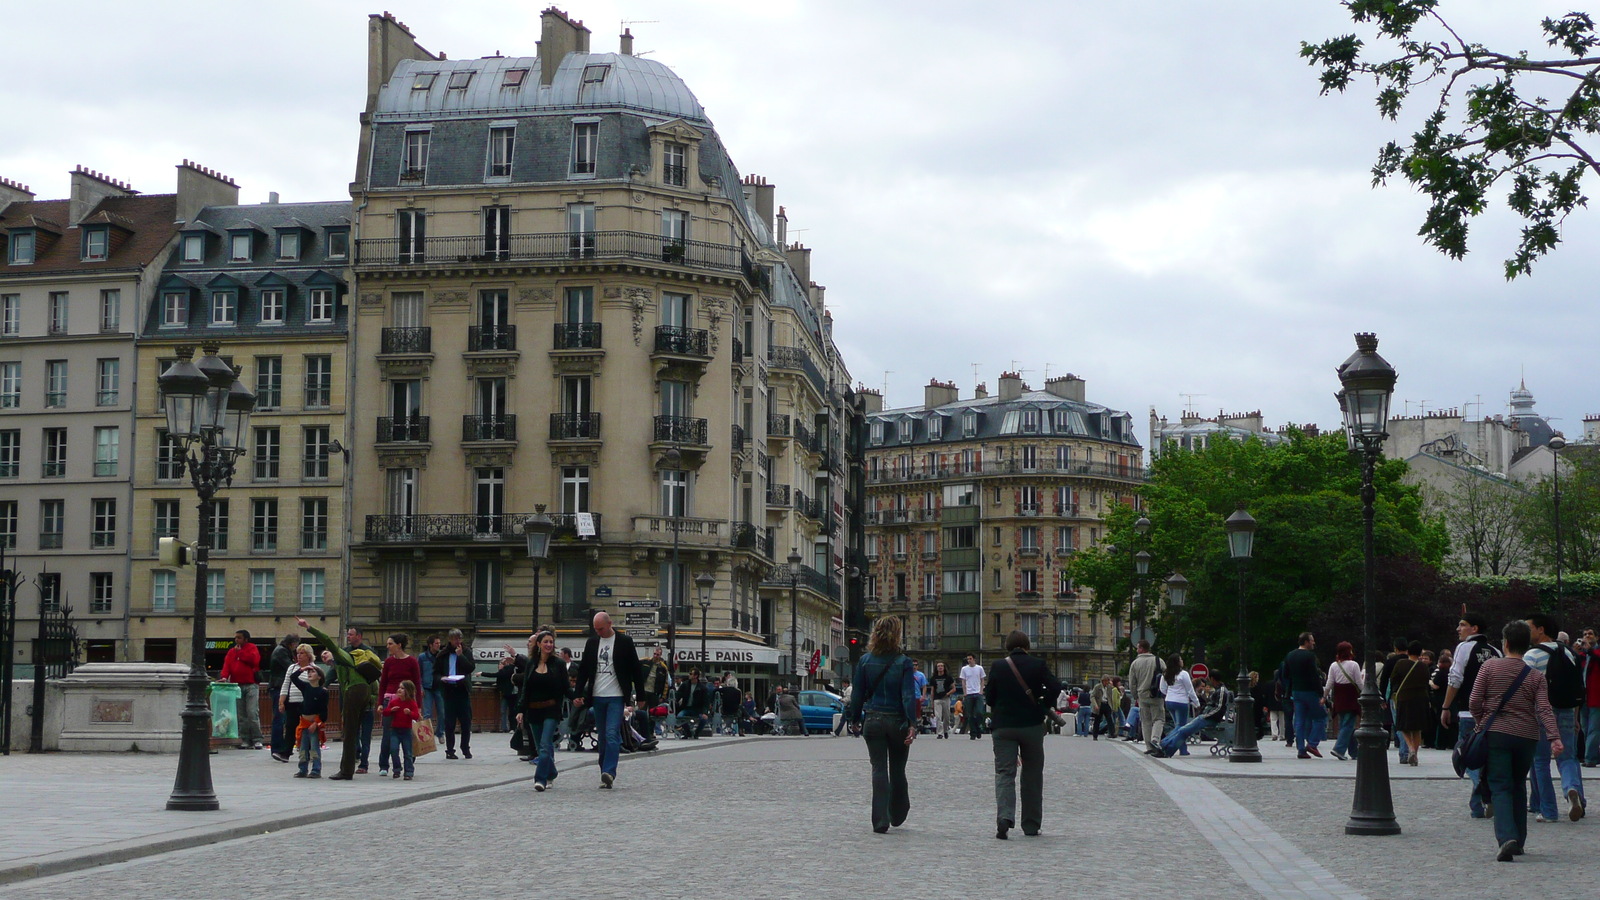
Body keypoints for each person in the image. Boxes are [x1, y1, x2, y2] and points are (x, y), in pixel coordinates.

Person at [1471, 620, 1563, 861]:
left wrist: (1482, 721)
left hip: (1498, 734)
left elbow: (1474, 700)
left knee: (1500, 786)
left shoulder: (1490, 667)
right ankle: (1519, 841)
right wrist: (1554, 737)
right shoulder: (1535, 677)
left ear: (1506, 643)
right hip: (1527, 737)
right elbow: (1544, 708)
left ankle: (1506, 838)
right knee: (1519, 785)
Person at [985, 630, 1064, 839]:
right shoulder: (1038, 665)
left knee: (1004, 773)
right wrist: (1042, 706)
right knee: (1032, 774)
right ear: (1027, 645)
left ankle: (1004, 817)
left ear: (1008, 646)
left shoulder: (998, 666)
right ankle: (1031, 824)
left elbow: (989, 697)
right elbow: (1056, 686)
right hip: (1031, 726)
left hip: (1003, 727)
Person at [846, 615, 919, 834]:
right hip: (896, 720)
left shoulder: (865, 661)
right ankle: (897, 812)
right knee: (898, 768)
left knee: (878, 768)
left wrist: (855, 719)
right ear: (897, 635)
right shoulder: (903, 662)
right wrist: (912, 724)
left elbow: (857, 694)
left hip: (874, 720)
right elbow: (908, 696)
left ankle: (880, 820)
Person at [298, 618, 381, 781]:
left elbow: (327, 639)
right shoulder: (350, 658)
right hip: (363, 690)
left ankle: (346, 771)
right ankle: (348, 768)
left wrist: (308, 627)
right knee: (353, 730)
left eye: (326, 653)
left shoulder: (341, 654)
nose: (325, 655)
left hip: (354, 691)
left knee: (349, 732)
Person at [1524, 613, 1586, 822]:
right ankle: (1571, 788)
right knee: (1567, 757)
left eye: (1529, 627)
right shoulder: (1568, 653)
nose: (1526, 632)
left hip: (1541, 712)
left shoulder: (1532, 655)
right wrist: (1576, 716)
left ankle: (1548, 811)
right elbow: (1578, 686)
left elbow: (1524, 688)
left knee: (1540, 760)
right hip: (1567, 710)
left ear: (1541, 629)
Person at [573, 611, 644, 788]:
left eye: (601, 629)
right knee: (603, 737)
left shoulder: (624, 642)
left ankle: (609, 772)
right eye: (596, 629)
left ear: (610, 623)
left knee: (612, 733)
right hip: (597, 696)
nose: (598, 632)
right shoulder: (592, 643)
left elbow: (636, 669)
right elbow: (583, 670)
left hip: (616, 696)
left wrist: (640, 696)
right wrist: (578, 693)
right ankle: (603, 770)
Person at [1443, 614, 1503, 817]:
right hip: (1494, 713)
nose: (1458, 629)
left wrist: (1445, 707)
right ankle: (1479, 805)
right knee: (1488, 757)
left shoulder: (1464, 648)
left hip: (1469, 711)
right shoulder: (1496, 651)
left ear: (1474, 628)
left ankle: (1483, 793)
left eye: (1462, 625)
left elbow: (1455, 678)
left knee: (1467, 755)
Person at [516, 630, 568, 791]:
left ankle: (540, 779)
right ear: (538, 644)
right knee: (540, 748)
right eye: (545, 641)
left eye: (551, 642)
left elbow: (566, 687)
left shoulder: (558, 664)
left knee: (546, 745)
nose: (549, 645)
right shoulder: (531, 663)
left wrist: (578, 697)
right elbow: (526, 688)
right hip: (534, 710)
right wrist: (520, 710)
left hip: (551, 709)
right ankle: (551, 772)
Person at [376, 633, 420, 777]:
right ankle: (384, 765)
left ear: (399, 645)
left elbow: (417, 685)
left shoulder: (412, 661)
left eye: (390, 644)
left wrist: (418, 705)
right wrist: (380, 703)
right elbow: (383, 684)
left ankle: (408, 763)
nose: (388, 646)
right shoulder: (388, 662)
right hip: (390, 699)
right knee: (387, 734)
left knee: (408, 733)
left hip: (407, 701)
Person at [1160, 674, 1232, 756]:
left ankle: (1166, 750)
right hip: (1206, 717)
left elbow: (1219, 708)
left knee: (1183, 730)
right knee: (1181, 730)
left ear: (1212, 679)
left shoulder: (1221, 691)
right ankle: (1163, 746)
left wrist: (1206, 715)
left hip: (1209, 719)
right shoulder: (1218, 690)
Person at [343, 625, 382, 771]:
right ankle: (354, 757)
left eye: (351, 634)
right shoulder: (346, 653)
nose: (348, 636)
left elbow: (375, 690)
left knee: (365, 737)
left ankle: (363, 763)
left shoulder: (370, 671)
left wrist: (368, 699)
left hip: (366, 708)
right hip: (354, 706)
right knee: (353, 734)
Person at [434, 629, 477, 760]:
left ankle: (465, 748)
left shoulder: (466, 652)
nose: (457, 641)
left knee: (466, 722)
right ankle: (450, 750)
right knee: (449, 723)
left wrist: (461, 656)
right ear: (450, 640)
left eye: (459, 639)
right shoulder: (443, 654)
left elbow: (470, 668)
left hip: (462, 690)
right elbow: (435, 672)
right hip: (449, 690)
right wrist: (441, 678)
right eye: (454, 639)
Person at [1283, 632, 1325, 759]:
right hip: (1310, 691)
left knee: (1300, 720)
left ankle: (1300, 749)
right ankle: (1312, 743)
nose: (1313, 643)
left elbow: (1285, 674)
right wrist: (1321, 693)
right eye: (1312, 640)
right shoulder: (1309, 656)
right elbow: (1314, 676)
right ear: (1306, 642)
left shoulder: (1290, 655)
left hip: (1296, 691)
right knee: (1321, 717)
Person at [1388, 641, 1430, 766]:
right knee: (1417, 728)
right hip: (1421, 698)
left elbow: (1393, 679)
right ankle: (1415, 754)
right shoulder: (1423, 666)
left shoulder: (1400, 663)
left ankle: (1410, 748)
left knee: (1403, 726)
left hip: (1404, 697)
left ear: (1408, 651)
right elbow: (1426, 681)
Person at [277, 643, 322, 762]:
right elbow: (286, 684)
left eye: (302, 653)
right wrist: (281, 701)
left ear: (309, 655)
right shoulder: (292, 668)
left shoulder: (315, 669)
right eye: (298, 653)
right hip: (292, 701)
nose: (299, 656)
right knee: (290, 726)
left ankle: (309, 752)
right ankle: (286, 752)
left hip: (306, 703)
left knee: (306, 728)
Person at [220, 630, 263, 751]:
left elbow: (254, 661)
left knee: (252, 712)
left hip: (251, 685)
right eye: (236, 638)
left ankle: (257, 739)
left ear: (246, 639)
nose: (236, 640)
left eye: (239, 638)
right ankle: (245, 739)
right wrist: (224, 676)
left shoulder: (252, 648)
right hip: (237, 685)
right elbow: (227, 665)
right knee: (242, 715)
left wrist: (240, 654)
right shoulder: (231, 652)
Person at [289, 664, 328, 778]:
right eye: (308, 672)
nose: (310, 674)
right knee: (302, 748)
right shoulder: (305, 687)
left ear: (319, 677)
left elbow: (323, 711)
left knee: (314, 747)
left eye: (313, 672)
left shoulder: (323, 692)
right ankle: (302, 769)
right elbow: (293, 678)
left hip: (313, 723)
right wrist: (302, 669)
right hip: (303, 722)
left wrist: (316, 723)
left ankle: (316, 769)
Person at [1325, 641, 1363, 761]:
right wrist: (1365, 693)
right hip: (1351, 697)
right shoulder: (1354, 665)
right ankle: (1339, 749)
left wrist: (1324, 696)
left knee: (1346, 723)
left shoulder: (1334, 665)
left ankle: (1354, 752)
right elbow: (1359, 682)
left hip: (1339, 698)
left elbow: (1329, 683)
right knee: (1348, 724)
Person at [1128, 640, 1167, 754]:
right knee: (1159, 719)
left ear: (1142, 649)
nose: (1136, 650)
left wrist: (1135, 695)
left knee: (1145, 721)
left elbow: (1132, 683)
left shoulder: (1135, 663)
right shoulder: (1158, 661)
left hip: (1142, 695)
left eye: (1137, 647)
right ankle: (1155, 739)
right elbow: (1166, 677)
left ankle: (1149, 746)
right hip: (1156, 695)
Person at [267, 633, 300, 761]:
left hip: (278, 686)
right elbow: (289, 668)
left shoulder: (281, 650)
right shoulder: (281, 652)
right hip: (278, 687)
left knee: (283, 718)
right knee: (279, 718)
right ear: (292, 643)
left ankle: (283, 746)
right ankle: (277, 747)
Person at [382, 680, 422, 781]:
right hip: (395, 730)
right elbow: (385, 713)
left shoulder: (411, 703)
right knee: (393, 750)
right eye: (399, 687)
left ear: (408, 691)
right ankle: (397, 769)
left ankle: (409, 772)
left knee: (408, 752)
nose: (399, 690)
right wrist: (391, 710)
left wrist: (410, 713)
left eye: (402, 688)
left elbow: (416, 716)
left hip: (406, 731)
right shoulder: (394, 702)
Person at [1163, 655, 1196, 755]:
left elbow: (1162, 688)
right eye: (1180, 659)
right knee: (1181, 727)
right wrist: (1196, 702)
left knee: (1178, 725)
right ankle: (1164, 742)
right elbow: (1190, 690)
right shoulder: (1183, 674)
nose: (1182, 660)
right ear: (1177, 662)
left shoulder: (1166, 674)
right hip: (1181, 702)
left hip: (1169, 701)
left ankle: (1183, 749)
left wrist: (1169, 694)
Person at [1577, 626, 1600, 767]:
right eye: (1585, 634)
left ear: (1597, 637)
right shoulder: (1583, 655)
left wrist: (1589, 650)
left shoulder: (1596, 652)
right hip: (1584, 697)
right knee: (1585, 728)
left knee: (1594, 728)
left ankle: (1590, 759)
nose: (1587, 636)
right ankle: (1594, 755)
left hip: (1596, 697)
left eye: (1590, 634)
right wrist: (1575, 651)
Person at [959, 654, 986, 739]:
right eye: (968, 659)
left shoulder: (979, 668)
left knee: (979, 712)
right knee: (969, 714)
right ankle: (973, 733)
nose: (969, 660)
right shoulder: (964, 669)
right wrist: (965, 692)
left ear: (974, 659)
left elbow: (982, 680)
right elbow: (963, 681)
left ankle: (978, 728)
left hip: (978, 692)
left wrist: (981, 690)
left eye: (970, 659)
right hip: (969, 693)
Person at [678, 668, 710, 739]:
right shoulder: (685, 685)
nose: (688, 675)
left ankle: (696, 733)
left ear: (695, 676)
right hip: (686, 708)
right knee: (680, 716)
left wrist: (705, 712)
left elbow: (706, 702)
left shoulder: (702, 688)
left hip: (697, 709)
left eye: (690, 674)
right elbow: (678, 695)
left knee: (703, 719)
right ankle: (688, 732)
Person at [929, 662, 957, 739]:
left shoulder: (948, 677)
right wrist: (931, 701)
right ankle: (940, 733)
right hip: (937, 699)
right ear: (936, 668)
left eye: (941, 666)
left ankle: (945, 730)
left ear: (944, 668)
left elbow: (954, 688)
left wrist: (948, 693)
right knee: (938, 716)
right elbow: (932, 690)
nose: (940, 667)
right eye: (938, 666)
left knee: (947, 717)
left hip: (946, 698)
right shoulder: (933, 678)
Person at [417, 635, 439, 724]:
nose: (438, 645)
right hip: (427, 687)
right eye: (436, 643)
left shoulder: (441, 656)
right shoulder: (422, 657)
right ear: (430, 645)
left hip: (438, 686)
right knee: (427, 712)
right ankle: (427, 734)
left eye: (439, 643)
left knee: (441, 711)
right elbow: (419, 674)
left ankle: (440, 732)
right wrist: (421, 687)